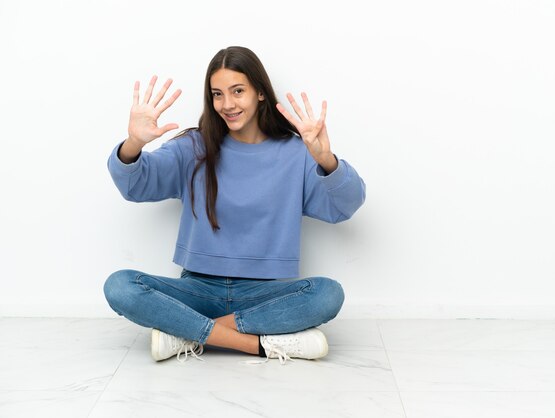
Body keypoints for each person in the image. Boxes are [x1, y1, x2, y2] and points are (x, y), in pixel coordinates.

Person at [103, 46, 366, 364]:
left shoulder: (296, 153)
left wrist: (326, 159)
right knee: (120, 286)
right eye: (217, 94)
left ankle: (187, 334)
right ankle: (259, 345)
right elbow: (135, 185)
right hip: (197, 290)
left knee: (328, 294)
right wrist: (134, 144)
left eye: (237, 91)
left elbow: (346, 205)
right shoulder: (194, 147)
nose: (227, 104)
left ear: (259, 92)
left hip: (262, 296)